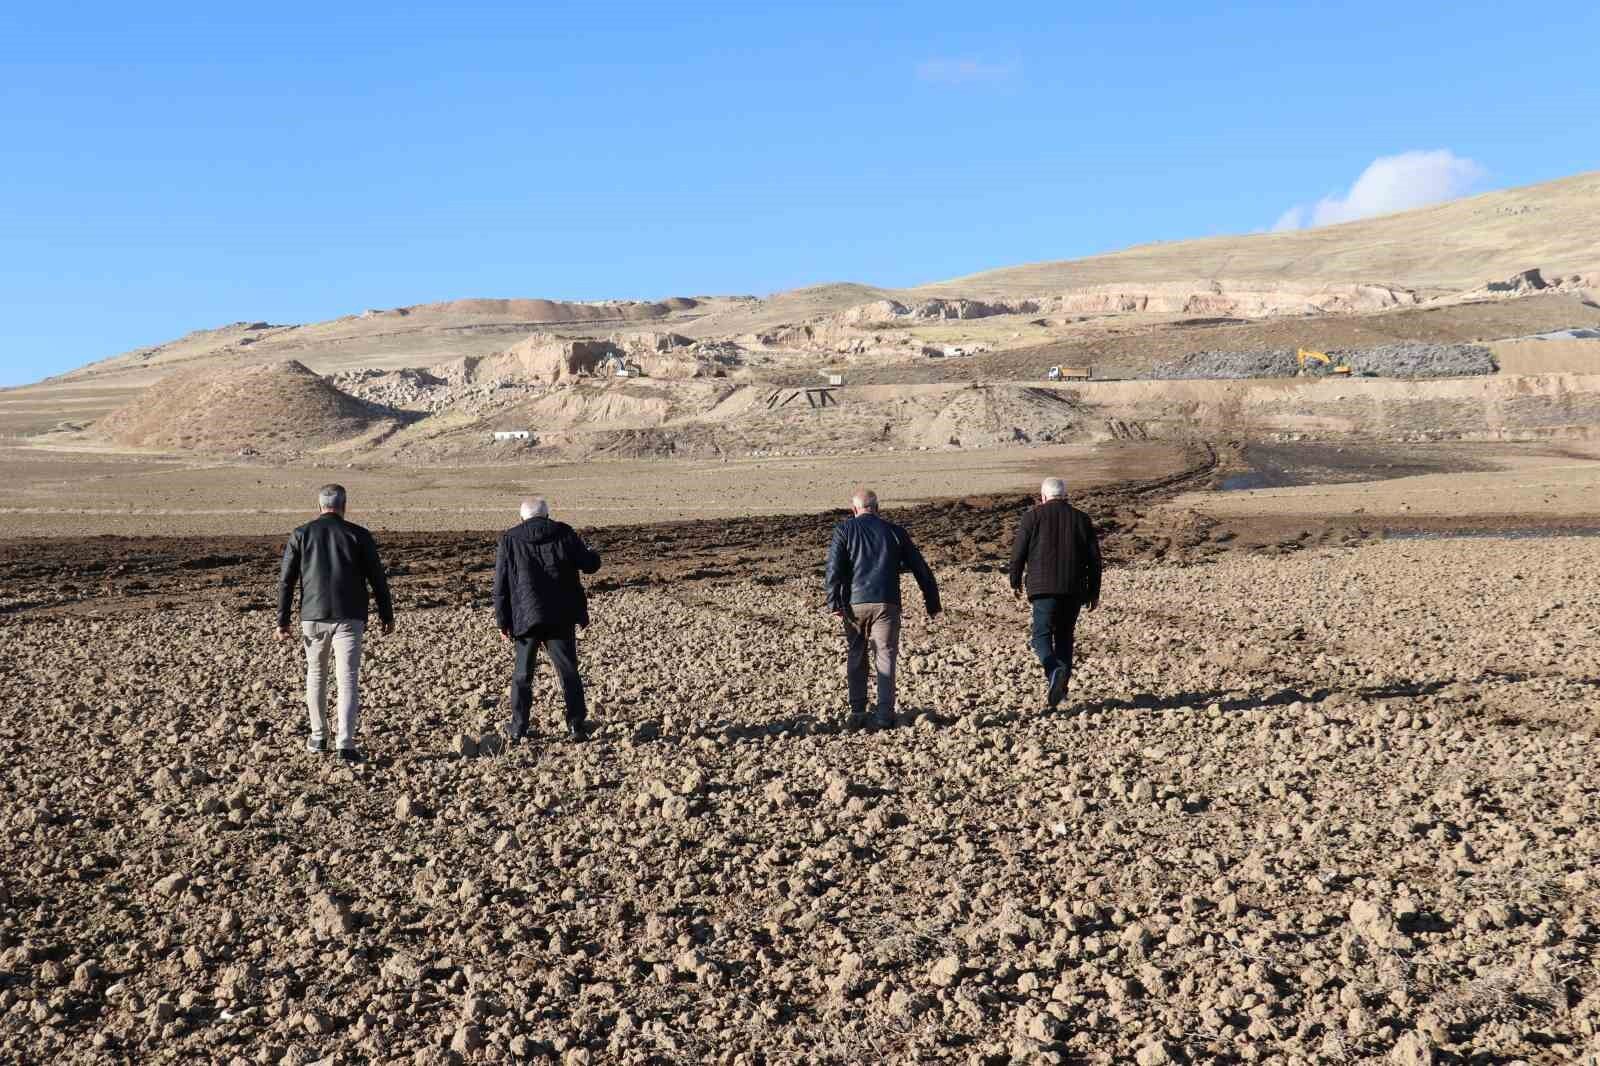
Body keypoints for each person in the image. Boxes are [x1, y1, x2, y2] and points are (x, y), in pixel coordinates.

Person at [277, 484, 395, 762]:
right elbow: (377, 578)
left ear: (319, 506)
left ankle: (319, 737)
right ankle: (346, 742)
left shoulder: (301, 534)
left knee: (316, 675)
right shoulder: (359, 535)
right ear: (344, 506)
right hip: (350, 616)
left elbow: (286, 581)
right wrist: (386, 614)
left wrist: (282, 620)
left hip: (312, 617)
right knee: (347, 679)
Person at [825, 487, 941, 728]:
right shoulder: (895, 532)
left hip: (854, 604)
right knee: (885, 655)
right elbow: (920, 568)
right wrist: (932, 602)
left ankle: (857, 711)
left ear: (854, 509)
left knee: (856, 653)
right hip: (887, 602)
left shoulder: (844, 530)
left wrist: (834, 602)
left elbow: (833, 569)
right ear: (877, 508)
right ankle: (884, 714)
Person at [493, 497, 602, 743]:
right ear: (547, 515)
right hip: (560, 614)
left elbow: (499, 585)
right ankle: (576, 726)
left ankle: (518, 728)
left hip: (525, 616)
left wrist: (503, 621)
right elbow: (589, 565)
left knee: (522, 675)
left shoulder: (509, 539)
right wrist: (594, 553)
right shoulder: (564, 533)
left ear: (522, 518)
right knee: (568, 671)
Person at [1008, 477, 1102, 711]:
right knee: (1064, 638)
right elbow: (1094, 560)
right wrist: (1094, 591)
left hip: (1042, 589)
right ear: (1065, 495)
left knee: (1040, 637)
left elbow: (1018, 552)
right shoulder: (1082, 519)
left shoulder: (1032, 517)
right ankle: (1060, 692)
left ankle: (1054, 671)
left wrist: (1014, 580)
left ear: (1043, 497)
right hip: (1073, 588)